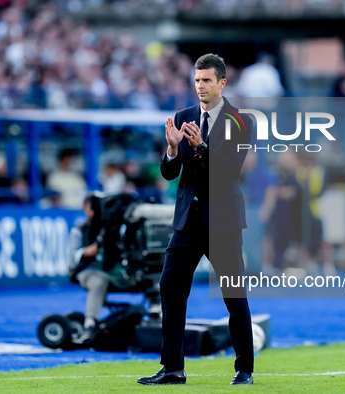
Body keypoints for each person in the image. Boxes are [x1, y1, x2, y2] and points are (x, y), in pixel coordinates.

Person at [137, 54, 254, 386]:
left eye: (206, 80)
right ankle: (172, 368)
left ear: (221, 83)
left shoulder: (241, 121)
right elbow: (171, 172)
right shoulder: (183, 117)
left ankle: (244, 368)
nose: (200, 86)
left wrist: (201, 147)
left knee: (233, 295)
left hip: (223, 222)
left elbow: (230, 171)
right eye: (197, 80)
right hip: (187, 221)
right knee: (170, 290)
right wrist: (172, 151)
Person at [68, 193, 126, 343]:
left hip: (113, 272)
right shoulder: (80, 229)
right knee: (98, 281)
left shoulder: (115, 228)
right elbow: (71, 259)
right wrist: (85, 252)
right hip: (88, 271)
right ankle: (90, 322)